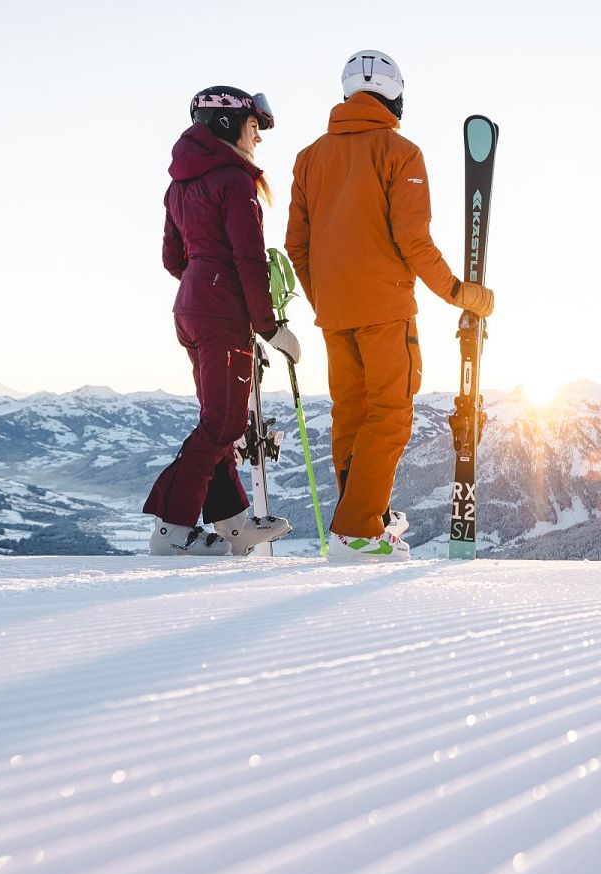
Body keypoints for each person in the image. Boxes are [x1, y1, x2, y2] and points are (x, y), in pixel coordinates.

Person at [286, 50, 495, 562]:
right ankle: (357, 531)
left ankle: (361, 520)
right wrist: (461, 294)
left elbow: (298, 245)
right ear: (395, 95)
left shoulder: (309, 157)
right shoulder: (401, 152)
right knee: (392, 415)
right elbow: (413, 241)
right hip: (385, 310)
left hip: (335, 314)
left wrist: (328, 298)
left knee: (351, 415)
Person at [143, 86, 303, 556]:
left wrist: (203, 278)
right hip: (219, 313)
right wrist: (271, 328)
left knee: (223, 421)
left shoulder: (180, 184)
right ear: (228, 125)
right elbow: (249, 259)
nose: (259, 138)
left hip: (191, 307)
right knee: (220, 424)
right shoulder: (234, 181)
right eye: (255, 128)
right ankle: (173, 529)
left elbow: (174, 258)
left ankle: (233, 524)